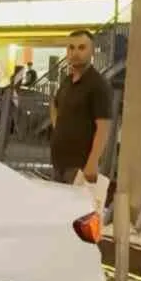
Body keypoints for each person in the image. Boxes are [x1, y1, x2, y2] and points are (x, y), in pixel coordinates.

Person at [49, 29, 113, 185]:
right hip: (59, 164)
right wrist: (59, 129)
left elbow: (103, 127)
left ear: (92, 52)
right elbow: (54, 105)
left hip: (80, 167)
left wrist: (92, 163)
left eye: (81, 48)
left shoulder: (97, 85)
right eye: (71, 48)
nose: (75, 52)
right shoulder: (67, 81)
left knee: (77, 209)